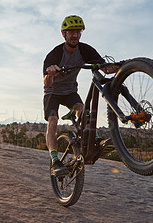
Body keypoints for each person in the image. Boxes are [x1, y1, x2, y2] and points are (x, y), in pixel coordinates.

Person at [43, 15, 118, 176]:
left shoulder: (85, 50)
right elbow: (46, 83)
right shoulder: (55, 54)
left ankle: (93, 138)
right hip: (53, 93)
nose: (75, 35)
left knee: (83, 110)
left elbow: (105, 68)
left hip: (70, 92)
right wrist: (50, 73)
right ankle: (55, 161)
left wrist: (122, 67)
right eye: (71, 32)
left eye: (78, 31)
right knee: (53, 121)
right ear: (64, 34)